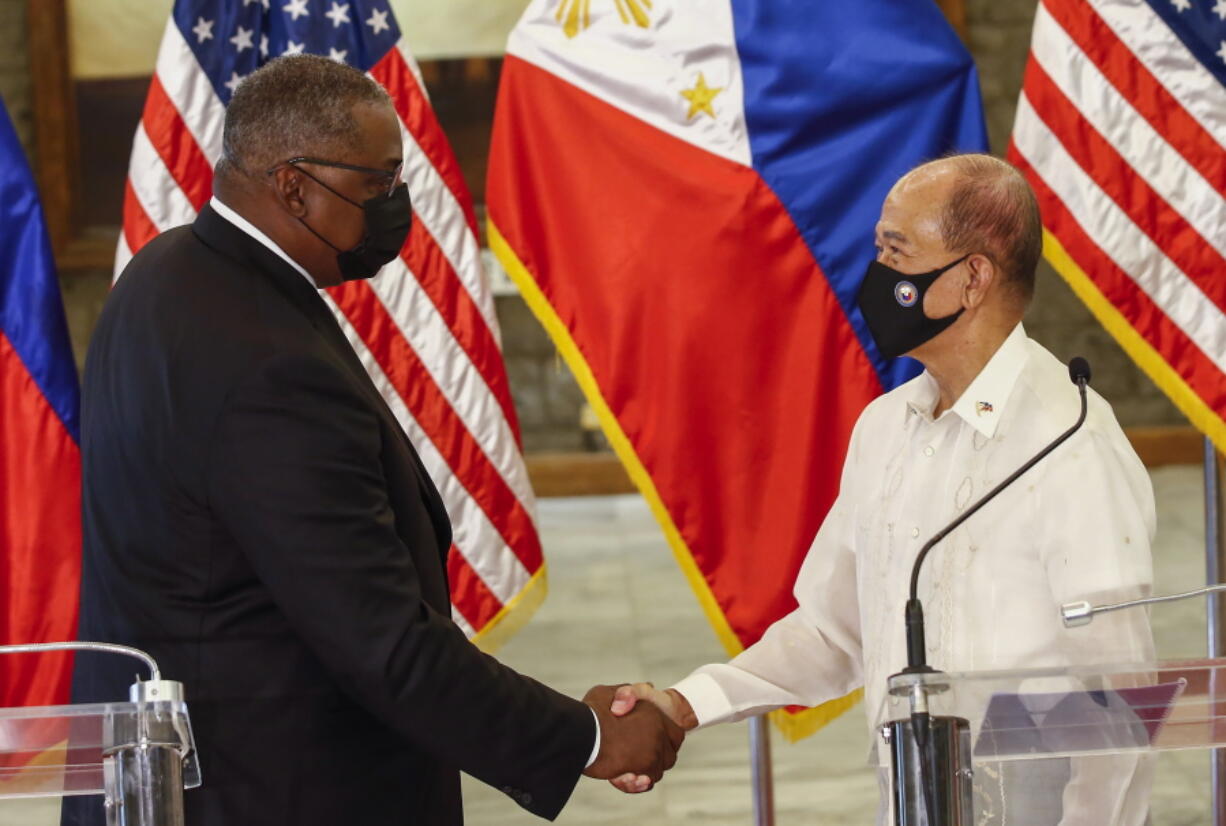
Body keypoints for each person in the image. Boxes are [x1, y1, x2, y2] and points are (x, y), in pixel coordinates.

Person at [64, 55, 681, 826]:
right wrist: (585, 737)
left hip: (180, 777)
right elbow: (377, 640)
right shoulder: (263, 359)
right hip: (273, 789)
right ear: (293, 185)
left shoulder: (166, 278)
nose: (396, 207)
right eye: (377, 186)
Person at [608, 154, 1156, 824]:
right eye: (878, 250)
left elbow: (1116, 705)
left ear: (973, 278)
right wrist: (684, 704)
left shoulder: (1071, 444)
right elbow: (834, 632)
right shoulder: (886, 428)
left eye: (897, 251)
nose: (879, 276)